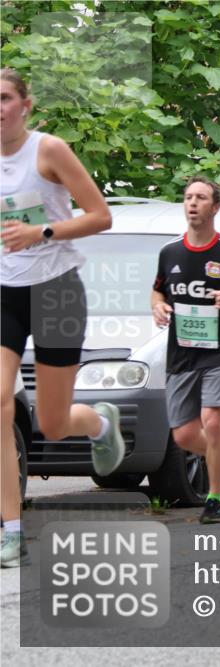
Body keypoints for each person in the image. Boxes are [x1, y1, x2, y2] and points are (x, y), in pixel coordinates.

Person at [1, 68, 125, 567]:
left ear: (25, 105)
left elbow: (101, 216)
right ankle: (11, 530)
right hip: (5, 293)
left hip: (56, 291)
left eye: (5, 98)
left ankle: (98, 422)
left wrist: (42, 233)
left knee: (52, 425)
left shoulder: (48, 150)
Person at [151, 177, 220, 523]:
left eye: (200, 197)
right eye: (188, 197)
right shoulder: (170, 252)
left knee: (213, 422)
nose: (192, 203)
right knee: (184, 435)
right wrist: (157, 306)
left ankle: (215, 500)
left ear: (215, 207)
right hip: (182, 353)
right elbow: (158, 290)